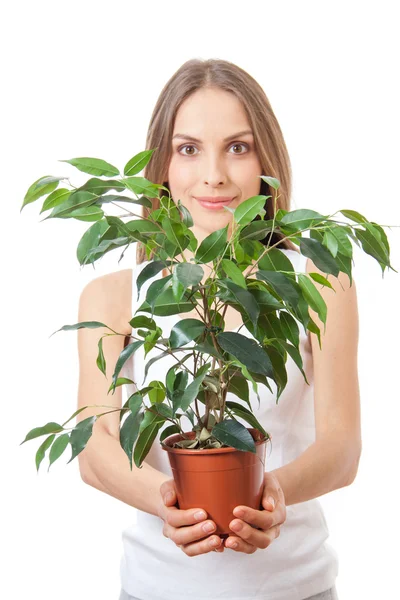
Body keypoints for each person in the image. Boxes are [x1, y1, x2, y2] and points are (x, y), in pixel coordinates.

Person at [76, 59, 361, 600]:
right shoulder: (114, 296)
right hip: (154, 587)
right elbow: (96, 447)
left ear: (266, 161)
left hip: (295, 586)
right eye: (188, 149)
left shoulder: (319, 283)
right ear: (160, 163)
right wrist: (163, 497)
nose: (214, 175)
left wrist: (274, 492)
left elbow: (343, 447)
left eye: (238, 146)